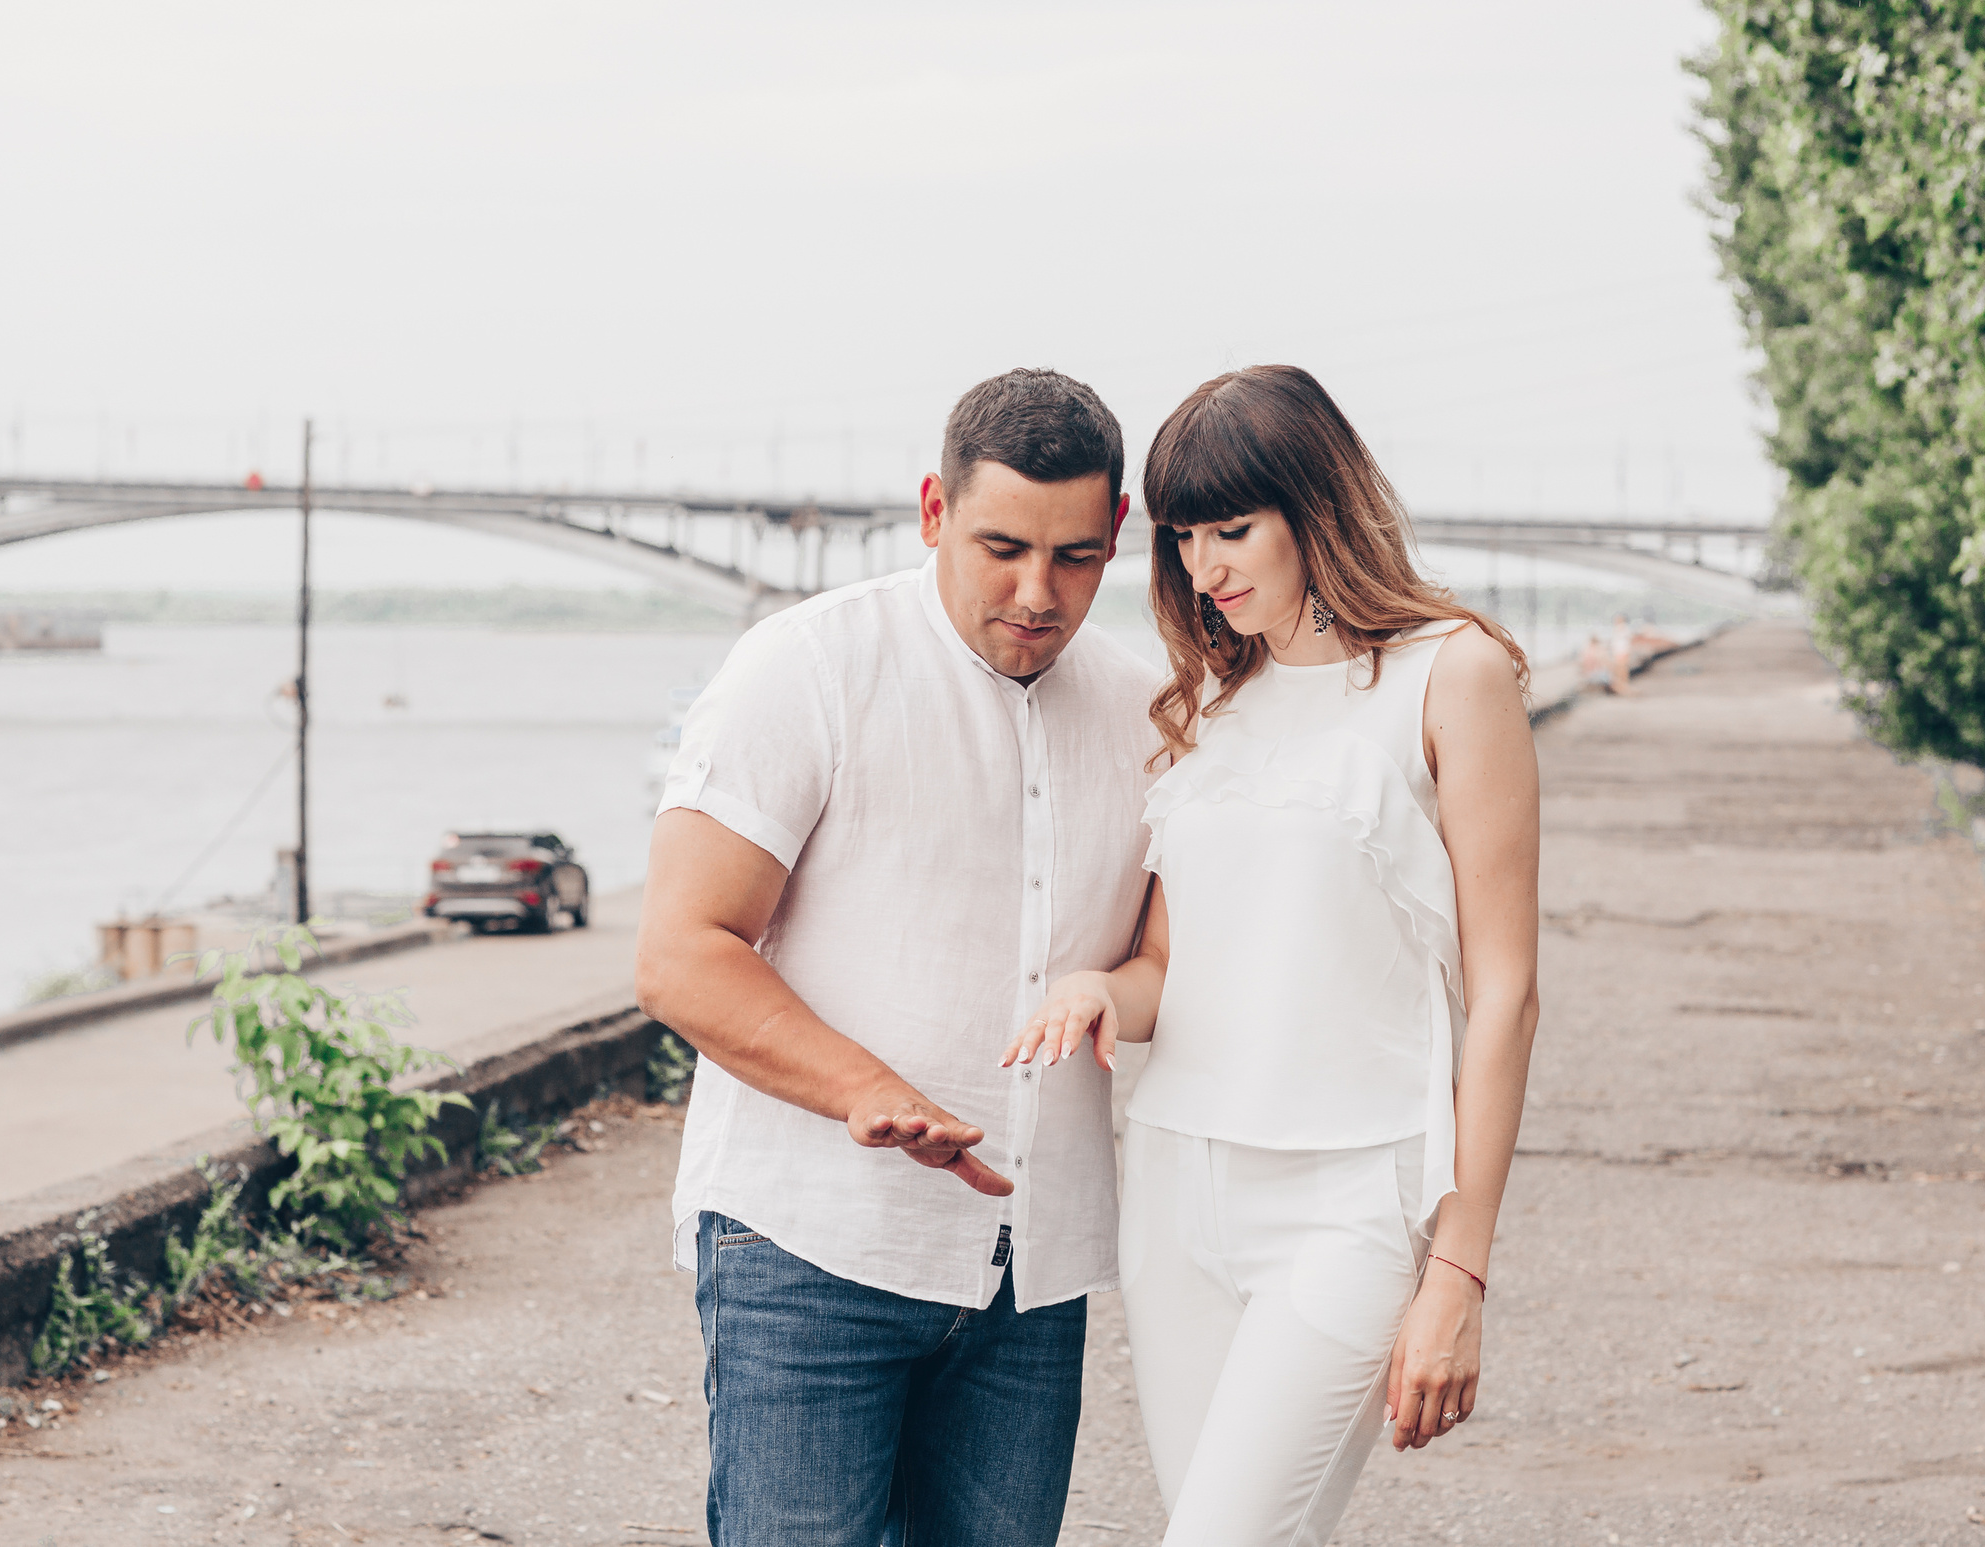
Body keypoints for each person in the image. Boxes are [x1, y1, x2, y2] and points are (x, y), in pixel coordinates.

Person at [1007, 364, 1542, 1546]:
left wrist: (1459, 1271)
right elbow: (1166, 970)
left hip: (1350, 1200)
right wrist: (1097, 989)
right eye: (1182, 536)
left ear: (1315, 505)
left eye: (1233, 529)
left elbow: (1505, 994)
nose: (1204, 567)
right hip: (1176, 1191)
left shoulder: (1451, 672)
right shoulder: (1205, 699)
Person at [634, 368, 1161, 1547]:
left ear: (1117, 532)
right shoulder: (807, 666)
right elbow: (679, 953)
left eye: (1075, 557)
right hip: (810, 1249)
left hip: (1028, 1276)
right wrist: (864, 1090)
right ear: (933, 510)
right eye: (1001, 548)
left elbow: (1162, 969)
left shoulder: (1146, 713)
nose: (1037, 593)